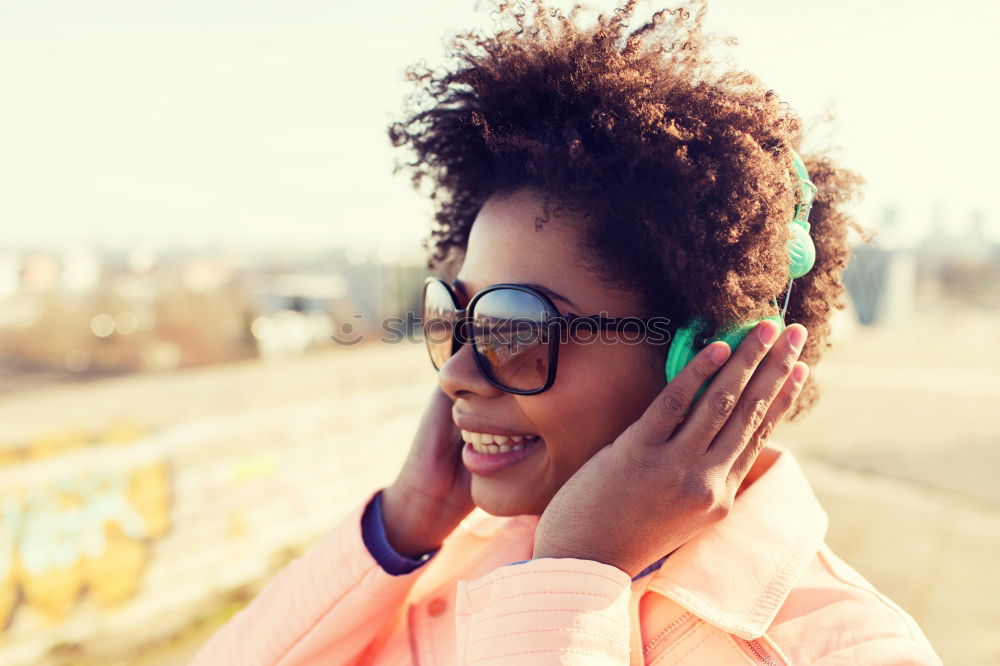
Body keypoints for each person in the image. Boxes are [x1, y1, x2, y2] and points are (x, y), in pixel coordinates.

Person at [190, 1, 941, 663]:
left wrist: (574, 575)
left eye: (514, 328)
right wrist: (402, 525)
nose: (455, 372)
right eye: (455, 318)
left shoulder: (845, 649)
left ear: (702, 362)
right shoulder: (458, 561)